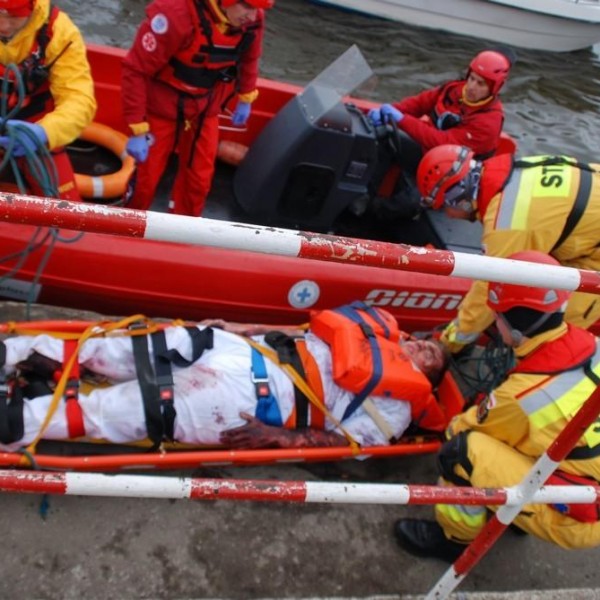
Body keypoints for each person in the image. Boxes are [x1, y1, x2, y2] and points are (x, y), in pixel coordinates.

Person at [0, 303, 449, 451]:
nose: (421, 347)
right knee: (127, 348)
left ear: (429, 376)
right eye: (424, 341)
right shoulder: (371, 333)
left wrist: (278, 438)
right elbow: (299, 333)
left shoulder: (396, 406)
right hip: (245, 350)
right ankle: (18, 354)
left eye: (430, 355)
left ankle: (13, 424)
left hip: (257, 400)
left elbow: (350, 445)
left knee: (127, 410)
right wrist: (238, 329)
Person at [394, 251, 600, 562]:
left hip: (583, 509)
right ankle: (516, 510)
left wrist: (450, 422)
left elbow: (467, 426)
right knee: (521, 438)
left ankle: (454, 540)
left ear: (509, 325)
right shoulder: (591, 346)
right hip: (582, 474)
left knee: (461, 450)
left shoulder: (522, 396)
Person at [416, 143, 600, 353]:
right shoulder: (511, 173)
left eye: (444, 206)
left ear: (461, 199)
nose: (447, 215)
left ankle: (550, 368)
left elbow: (487, 290)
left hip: (593, 253)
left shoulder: (507, 223)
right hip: (586, 228)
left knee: (551, 325)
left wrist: (450, 341)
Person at [121, 0, 273, 218]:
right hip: (161, 108)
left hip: (204, 108)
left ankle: (184, 228)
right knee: (147, 176)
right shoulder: (175, 15)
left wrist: (246, 97)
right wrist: (137, 126)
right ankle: (128, 223)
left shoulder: (252, 19)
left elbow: (250, 59)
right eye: (247, 7)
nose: (252, 16)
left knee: (199, 179)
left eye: (257, 9)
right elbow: (135, 70)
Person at [0, 0, 96, 200]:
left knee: (65, 213)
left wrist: (43, 132)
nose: (3, 26)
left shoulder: (58, 32)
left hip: (33, 131)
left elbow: (79, 100)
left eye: (14, 17)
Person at [368, 48, 515, 162]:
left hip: (450, 174)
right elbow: (419, 103)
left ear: (494, 88)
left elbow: (442, 142)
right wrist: (388, 112)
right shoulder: (453, 89)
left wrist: (401, 120)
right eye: (471, 78)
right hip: (427, 152)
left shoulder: (488, 122)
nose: (471, 86)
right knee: (377, 141)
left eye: (480, 83)